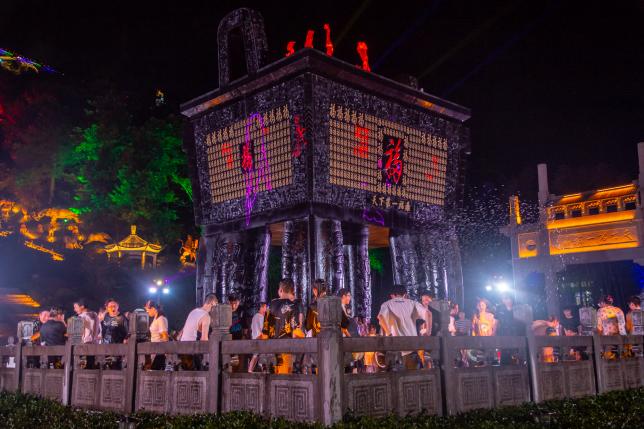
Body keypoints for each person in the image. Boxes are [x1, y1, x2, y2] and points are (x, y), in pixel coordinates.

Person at [377, 284, 431, 369]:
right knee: (414, 374)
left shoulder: (387, 304)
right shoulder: (412, 303)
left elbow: (380, 317)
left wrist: (389, 333)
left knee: (395, 375)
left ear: (392, 295)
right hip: (411, 346)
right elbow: (428, 313)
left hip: (395, 347)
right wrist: (428, 331)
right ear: (405, 294)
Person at [263, 279, 304, 373]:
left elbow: (265, 331)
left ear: (280, 290)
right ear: (292, 290)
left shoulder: (270, 305)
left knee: (271, 378)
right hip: (286, 349)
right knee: (284, 378)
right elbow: (296, 333)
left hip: (270, 350)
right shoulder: (293, 306)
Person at [178, 293, 218, 370]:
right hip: (192, 350)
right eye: (216, 305)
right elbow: (204, 339)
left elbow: (186, 329)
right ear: (212, 303)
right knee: (201, 372)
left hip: (182, 348)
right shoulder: (206, 316)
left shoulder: (194, 311)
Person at [144, 300, 169, 370]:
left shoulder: (161, 318)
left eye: (148, 310)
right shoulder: (156, 318)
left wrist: (165, 353)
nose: (147, 312)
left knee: (155, 372)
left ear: (153, 308)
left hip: (159, 352)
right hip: (155, 351)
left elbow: (164, 336)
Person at [248, 302, 268, 373]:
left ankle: (251, 370)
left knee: (256, 356)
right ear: (261, 307)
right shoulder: (257, 316)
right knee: (256, 355)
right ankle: (250, 371)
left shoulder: (261, 316)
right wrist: (260, 337)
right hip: (258, 338)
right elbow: (257, 329)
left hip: (260, 338)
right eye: (265, 307)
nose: (266, 309)